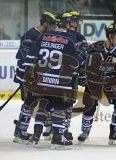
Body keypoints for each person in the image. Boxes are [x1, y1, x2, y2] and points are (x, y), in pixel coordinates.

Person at [26, 12, 81, 150]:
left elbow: (30, 55)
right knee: (59, 107)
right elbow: (75, 62)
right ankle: (57, 138)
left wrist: (28, 74)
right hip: (58, 81)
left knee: (43, 105)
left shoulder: (43, 35)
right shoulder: (68, 38)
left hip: (41, 80)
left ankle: (36, 135)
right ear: (68, 24)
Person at [77, 23, 116, 145]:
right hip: (94, 82)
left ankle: (114, 133)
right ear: (109, 36)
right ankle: (85, 132)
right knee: (89, 105)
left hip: (111, 81)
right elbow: (83, 63)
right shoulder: (94, 47)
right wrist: (82, 76)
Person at [13, 11, 56, 144]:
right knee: (29, 103)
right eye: (51, 25)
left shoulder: (44, 35)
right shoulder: (31, 35)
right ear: (44, 24)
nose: (53, 28)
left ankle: (23, 129)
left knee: (41, 101)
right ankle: (20, 131)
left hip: (37, 76)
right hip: (27, 75)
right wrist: (26, 76)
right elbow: (24, 57)